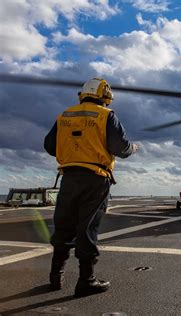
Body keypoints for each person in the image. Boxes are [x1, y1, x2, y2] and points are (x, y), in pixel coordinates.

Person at [44, 78, 138, 297]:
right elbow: (120, 148)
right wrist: (133, 148)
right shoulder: (106, 115)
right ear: (105, 96)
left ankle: (55, 276)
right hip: (95, 178)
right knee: (87, 227)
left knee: (64, 225)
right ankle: (86, 280)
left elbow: (49, 146)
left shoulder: (65, 115)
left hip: (68, 177)